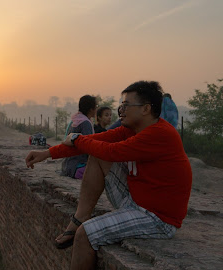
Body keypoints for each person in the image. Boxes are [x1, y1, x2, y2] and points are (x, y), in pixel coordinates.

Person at [25, 81, 192, 270]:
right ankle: (80, 216)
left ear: (146, 108)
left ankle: (81, 227)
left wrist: (77, 138)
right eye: (122, 104)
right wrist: (48, 154)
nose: (122, 109)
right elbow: (94, 142)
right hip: (135, 200)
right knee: (97, 153)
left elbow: (112, 152)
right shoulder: (131, 129)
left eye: (127, 105)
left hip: (157, 219)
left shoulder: (160, 134)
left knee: (84, 235)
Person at [61, 95, 97, 179]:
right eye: (96, 107)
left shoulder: (75, 120)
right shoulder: (85, 123)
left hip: (67, 165)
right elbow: (88, 147)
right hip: (77, 167)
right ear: (91, 109)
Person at [108, 92, 178, 130]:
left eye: (126, 105)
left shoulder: (152, 132)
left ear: (146, 109)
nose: (120, 110)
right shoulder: (128, 127)